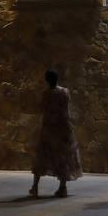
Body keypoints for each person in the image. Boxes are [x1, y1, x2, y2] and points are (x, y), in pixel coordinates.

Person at [29, 70, 82, 198]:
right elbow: (65, 111)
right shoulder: (64, 92)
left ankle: (35, 187)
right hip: (62, 128)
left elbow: (42, 109)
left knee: (42, 157)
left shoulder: (46, 94)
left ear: (47, 80)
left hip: (48, 129)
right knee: (63, 157)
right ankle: (62, 188)